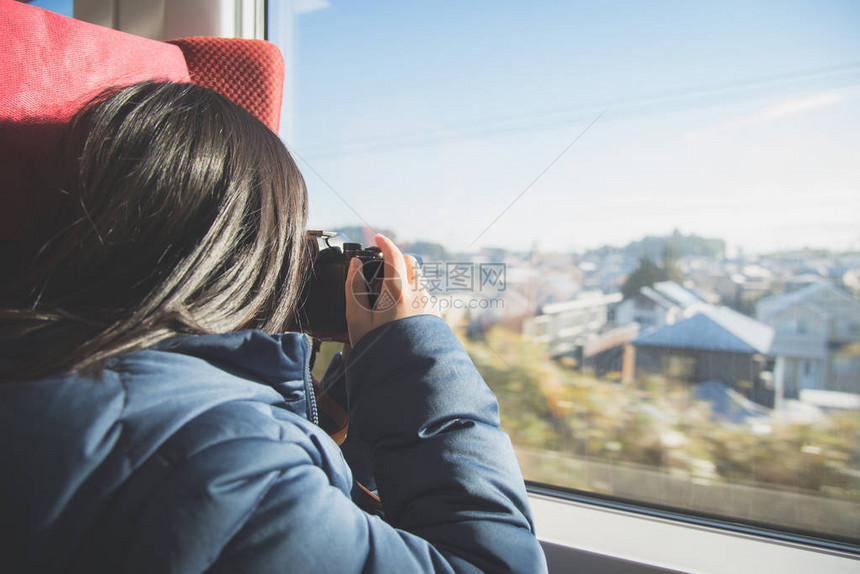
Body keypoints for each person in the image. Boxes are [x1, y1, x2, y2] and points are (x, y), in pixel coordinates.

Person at [0, 81, 547, 573]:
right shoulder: (230, 464)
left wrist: (364, 378)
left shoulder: (52, 377)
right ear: (244, 258)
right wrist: (412, 352)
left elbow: (316, 511)